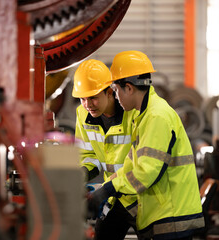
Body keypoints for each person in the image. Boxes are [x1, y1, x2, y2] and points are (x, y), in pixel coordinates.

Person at [87, 51, 205, 240]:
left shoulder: (156, 117)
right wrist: (102, 188)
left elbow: (145, 173)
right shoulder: (143, 116)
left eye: (116, 90)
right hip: (164, 213)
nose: (115, 97)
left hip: (171, 217)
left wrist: (108, 190)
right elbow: (131, 165)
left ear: (129, 88)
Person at [72, 59, 140, 239]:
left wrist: (103, 190)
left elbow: (141, 163)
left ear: (109, 92)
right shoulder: (82, 113)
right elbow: (87, 153)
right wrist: (83, 173)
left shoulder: (132, 112)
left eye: (93, 97)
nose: (87, 104)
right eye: (82, 98)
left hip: (142, 195)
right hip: (115, 195)